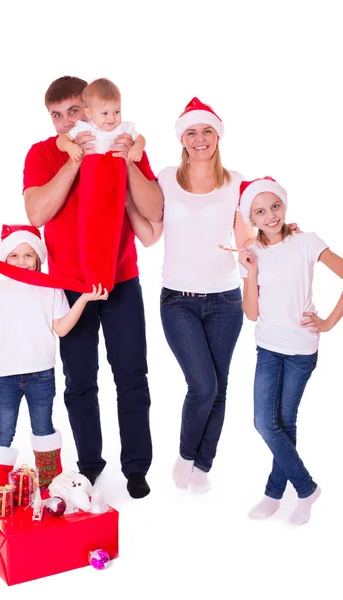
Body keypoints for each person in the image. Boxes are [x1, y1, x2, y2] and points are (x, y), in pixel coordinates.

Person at [23, 76, 163, 499]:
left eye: (74, 111)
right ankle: (89, 466)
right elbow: (36, 213)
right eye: (57, 115)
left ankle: (137, 468)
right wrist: (75, 161)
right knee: (79, 381)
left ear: (91, 107)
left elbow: (155, 212)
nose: (67, 122)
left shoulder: (124, 141)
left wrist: (128, 165)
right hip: (69, 286)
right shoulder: (44, 153)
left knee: (132, 376)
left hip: (120, 277)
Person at [128, 97, 253, 494]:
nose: (200, 139)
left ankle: (203, 463)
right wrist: (128, 205)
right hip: (178, 300)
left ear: (218, 136)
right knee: (203, 385)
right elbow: (150, 236)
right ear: (182, 139)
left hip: (226, 301)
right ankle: (185, 454)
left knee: (219, 385)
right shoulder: (166, 177)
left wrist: (261, 258)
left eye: (207, 131)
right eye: (192, 132)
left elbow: (245, 241)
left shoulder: (235, 182)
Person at [0, 224, 108, 500]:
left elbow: (60, 328)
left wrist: (84, 298)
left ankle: (50, 491)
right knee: (2, 430)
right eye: (14, 255)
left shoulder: (49, 290)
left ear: (38, 259)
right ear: (4, 259)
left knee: (43, 429)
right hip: (5, 377)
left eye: (28, 255)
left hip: (41, 376)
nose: (21, 261)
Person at [238, 176, 343, 525]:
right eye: (260, 211)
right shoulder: (250, 254)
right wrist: (251, 271)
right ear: (251, 218)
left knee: (281, 422)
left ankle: (276, 493)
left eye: (275, 207)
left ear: (284, 207)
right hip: (268, 348)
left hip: (301, 351)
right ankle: (303, 489)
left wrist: (327, 322)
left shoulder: (306, 242)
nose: (270, 216)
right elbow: (251, 313)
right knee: (266, 422)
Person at [57, 78, 145, 162]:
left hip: (117, 172)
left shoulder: (123, 127)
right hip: (91, 172)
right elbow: (62, 139)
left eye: (117, 112)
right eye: (105, 113)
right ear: (89, 113)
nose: (112, 118)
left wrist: (137, 147)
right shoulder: (84, 128)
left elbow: (140, 139)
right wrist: (69, 146)